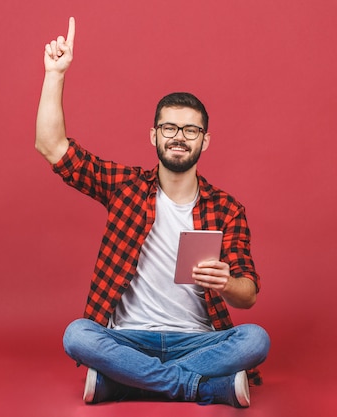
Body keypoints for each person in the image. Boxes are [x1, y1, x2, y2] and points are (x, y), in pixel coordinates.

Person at [35, 17, 270, 408]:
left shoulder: (227, 209)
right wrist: (55, 74)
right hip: (128, 337)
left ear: (204, 141)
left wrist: (227, 282)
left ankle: (125, 381)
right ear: (154, 135)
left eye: (190, 130)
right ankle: (202, 388)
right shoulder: (125, 188)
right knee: (78, 335)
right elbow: (52, 147)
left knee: (256, 339)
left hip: (198, 339)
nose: (179, 136)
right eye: (169, 127)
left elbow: (248, 297)